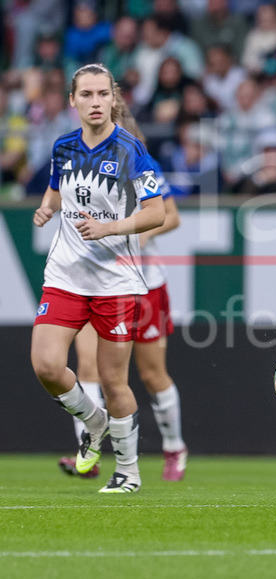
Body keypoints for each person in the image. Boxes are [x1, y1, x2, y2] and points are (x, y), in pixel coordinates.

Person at [31, 63, 166, 493]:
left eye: (102, 94)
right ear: (72, 100)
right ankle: (95, 421)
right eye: (85, 95)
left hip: (115, 282)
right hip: (66, 275)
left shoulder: (131, 151)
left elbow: (157, 212)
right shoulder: (63, 147)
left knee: (113, 381)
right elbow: (57, 186)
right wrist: (49, 207)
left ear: (114, 99)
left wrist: (108, 228)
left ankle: (128, 471)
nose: (94, 102)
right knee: (47, 365)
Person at [57, 113, 189, 482]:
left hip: (142, 284)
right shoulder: (79, 163)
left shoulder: (139, 161)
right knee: (87, 367)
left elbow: (171, 216)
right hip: (92, 282)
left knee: (150, 374)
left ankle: (175, 447)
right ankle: (91, 449)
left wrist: (137, 237)